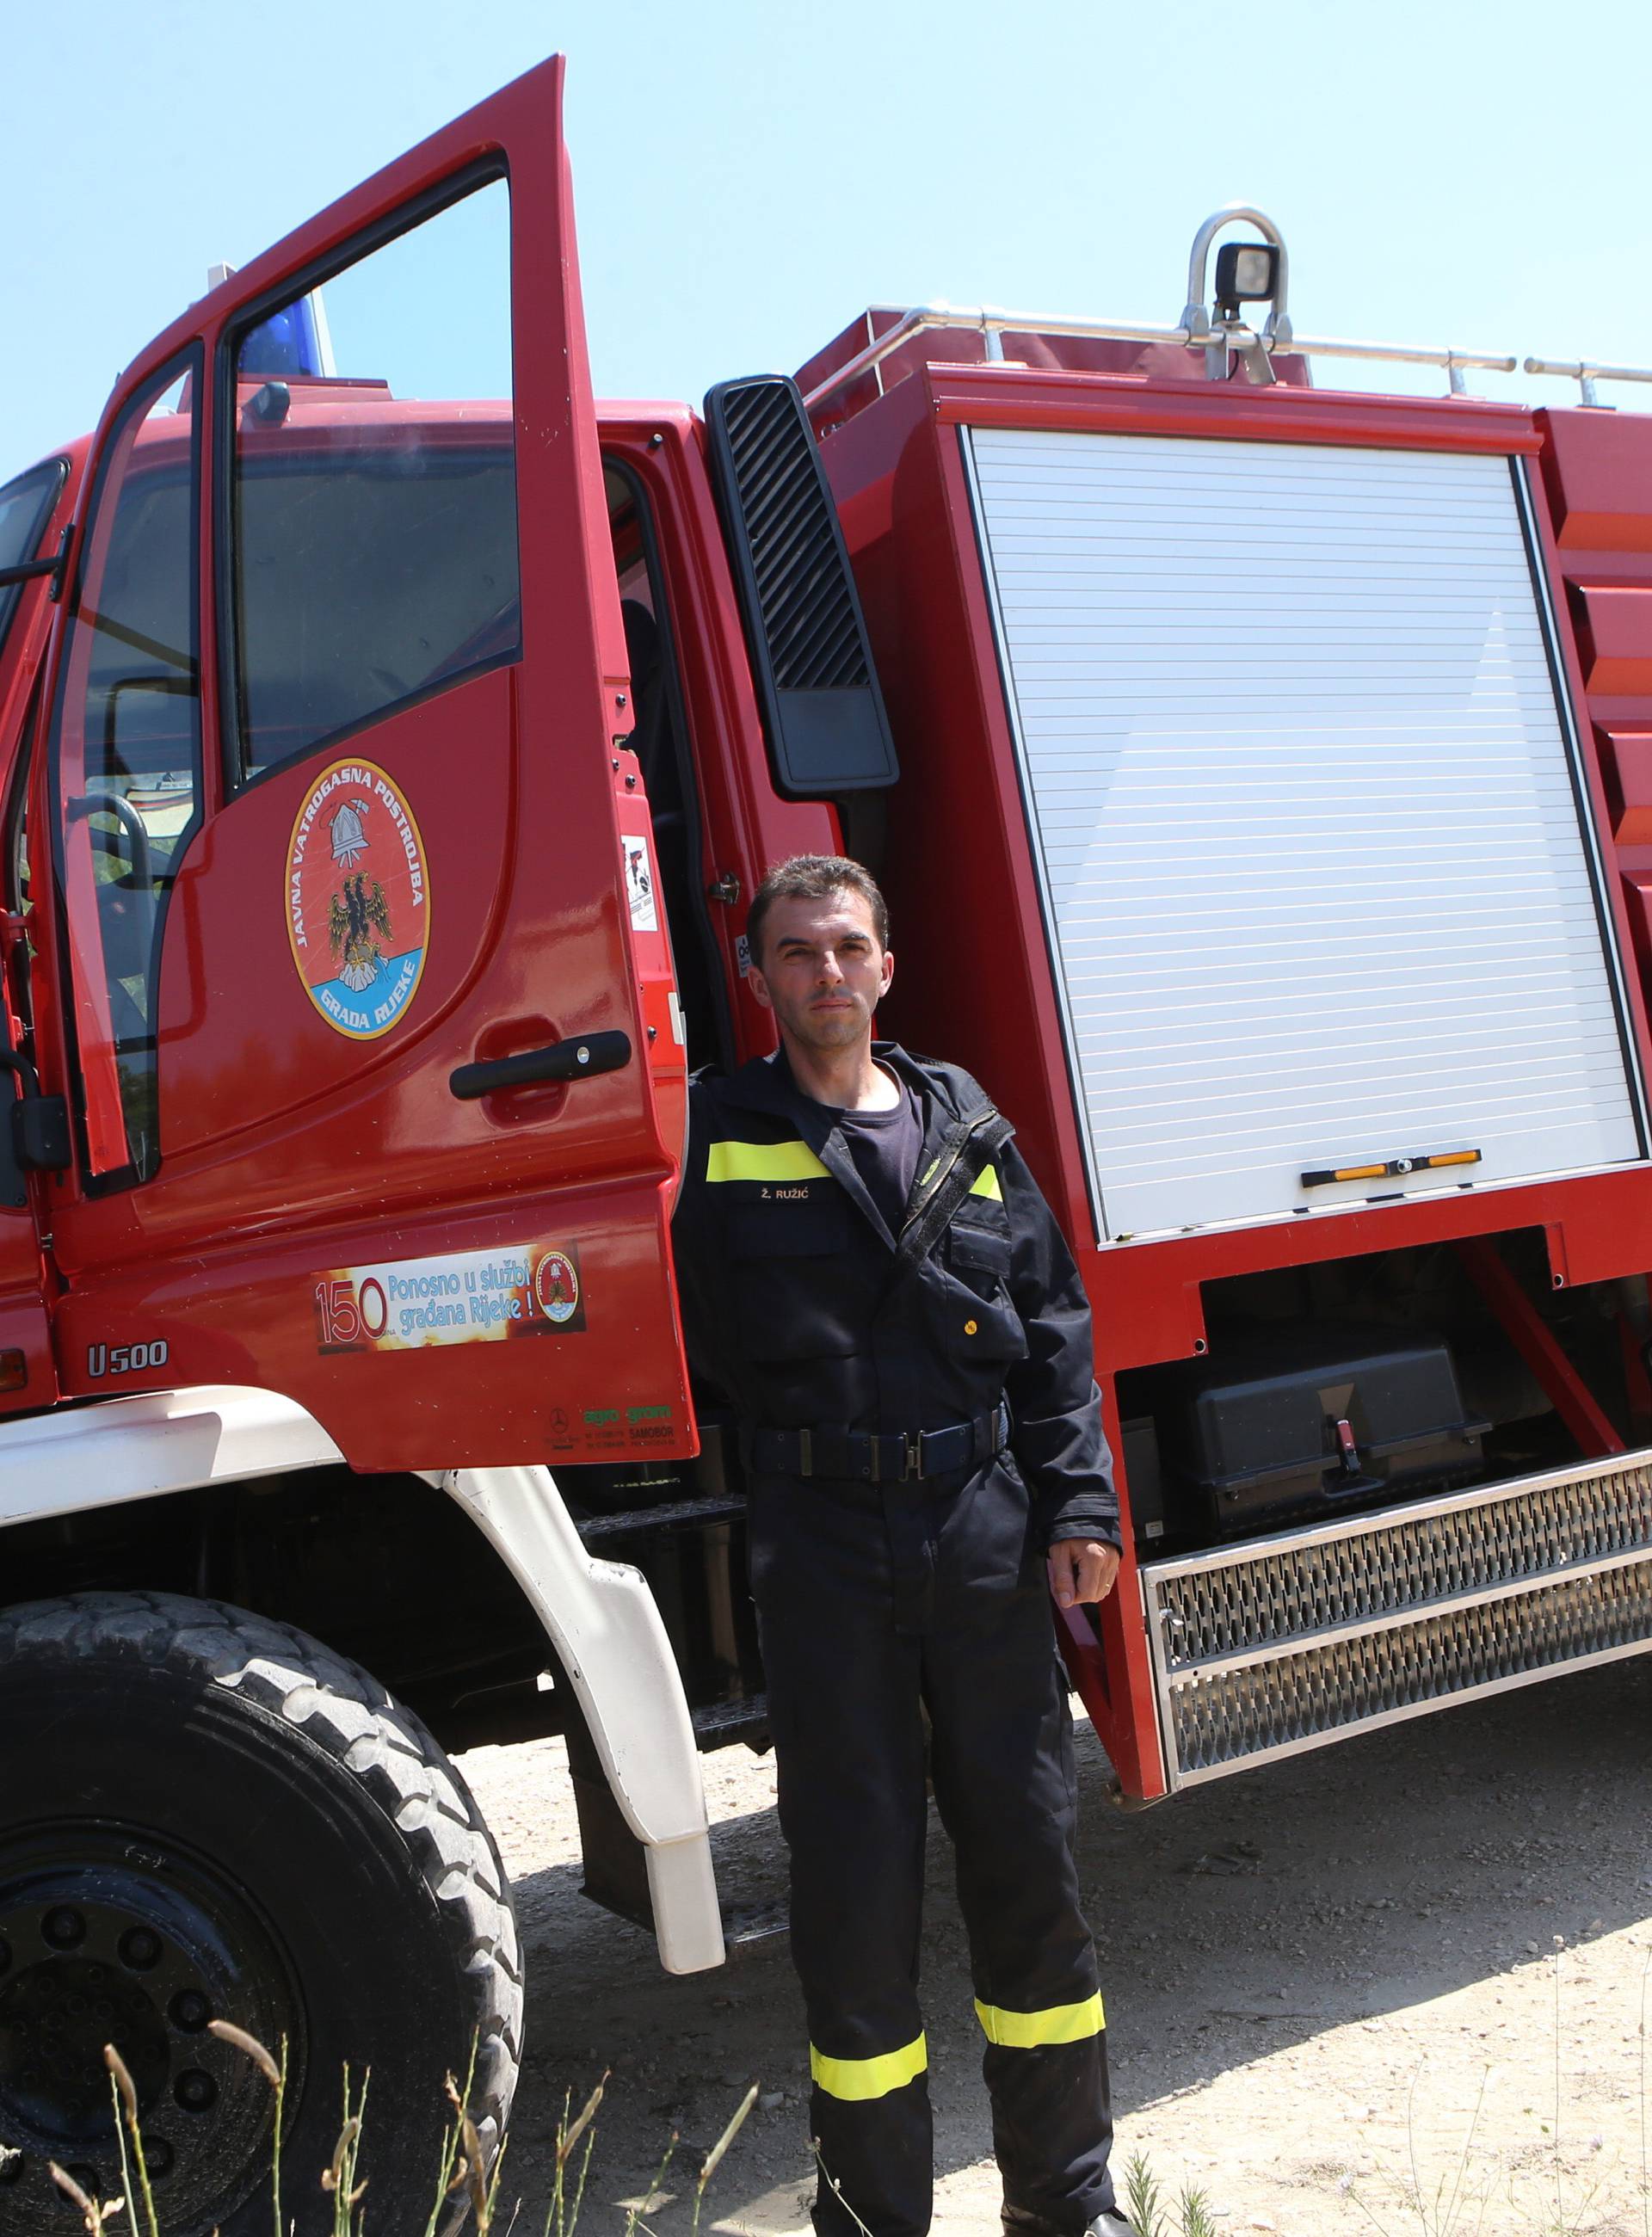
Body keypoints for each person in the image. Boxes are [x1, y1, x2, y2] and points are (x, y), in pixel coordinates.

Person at [671, 854, 1128, 2237]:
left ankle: (1068, 2206)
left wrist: (1084, 1507)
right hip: (823, 1547)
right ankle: (874, 2219)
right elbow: (679, 1336)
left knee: (1029, 1870)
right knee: (854, 1893)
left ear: (887, 968)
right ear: (760, 978)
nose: (826, 972)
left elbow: (1052, 1330)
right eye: (797, 952)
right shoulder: (710, 1134)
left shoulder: (968, 1127)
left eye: (848, 947)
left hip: (984, 1530)